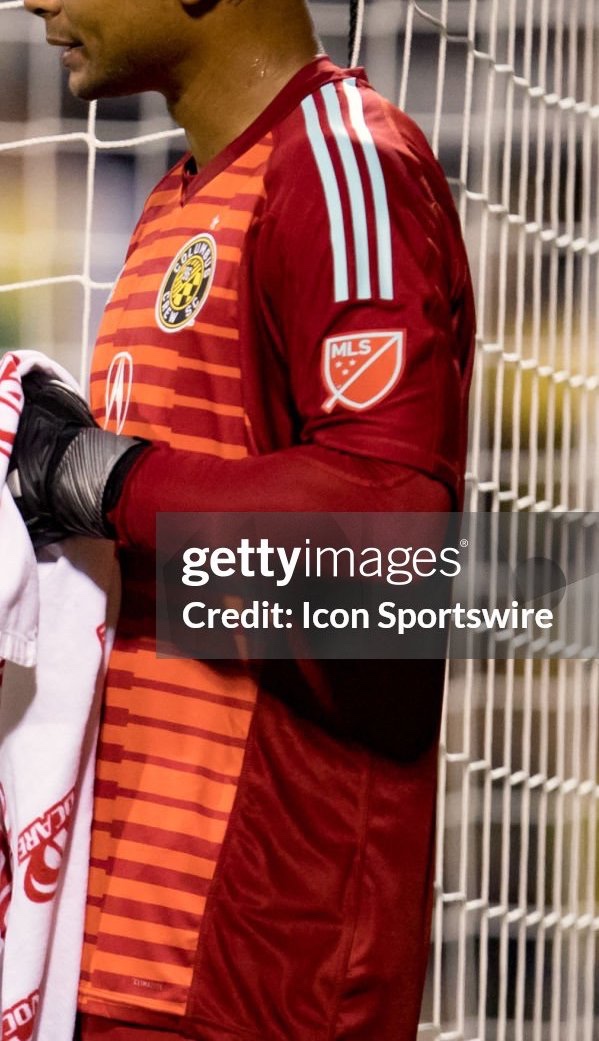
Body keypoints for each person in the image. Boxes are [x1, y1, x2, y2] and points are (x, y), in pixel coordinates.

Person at [16, 0, 475, 1038]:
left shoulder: (342, 163)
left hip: (264, 974)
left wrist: (110, 479)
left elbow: (394, 547)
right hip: (116, 951)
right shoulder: (181, 198)